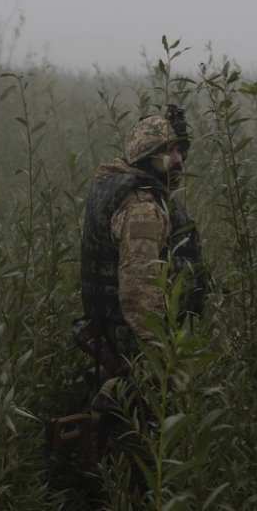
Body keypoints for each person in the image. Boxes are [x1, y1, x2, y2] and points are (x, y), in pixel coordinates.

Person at [77, 104, 207, 392]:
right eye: (170, 150)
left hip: (113, 334)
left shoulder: (119, 187)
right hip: (131, 343)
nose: (179, 158)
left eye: (181, 150)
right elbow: (139, 283)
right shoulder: (141, 206)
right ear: (147, 155)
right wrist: (155, 350)